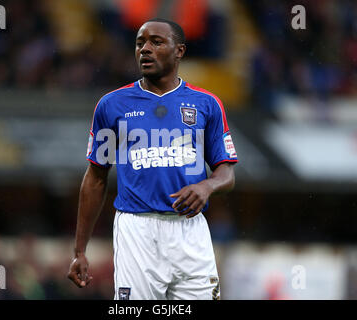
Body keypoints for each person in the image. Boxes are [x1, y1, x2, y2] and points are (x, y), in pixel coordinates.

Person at [67, 18, 238, 300]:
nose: (145, 49)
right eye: (140, 43)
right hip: (137, 229)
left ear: (179, 51)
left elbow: (226, 173)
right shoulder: (112, 105)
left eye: (156, 42)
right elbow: (96, 178)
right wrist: (79, 251)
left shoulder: (206, 104)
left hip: (190, 230)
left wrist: (206, 186)